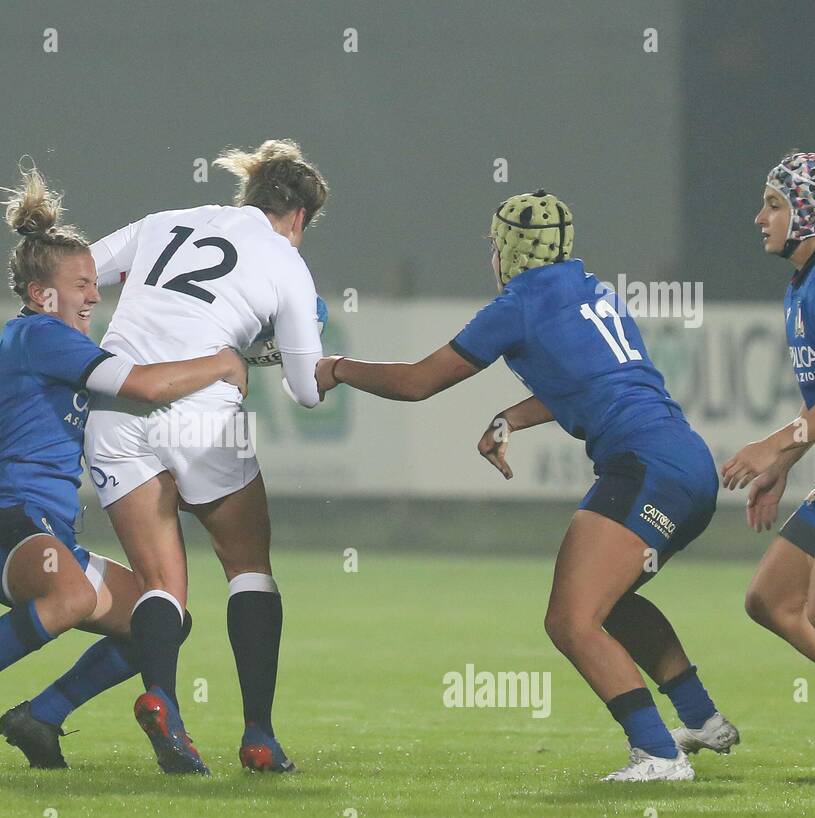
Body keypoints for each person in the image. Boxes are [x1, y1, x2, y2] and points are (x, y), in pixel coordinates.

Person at [315, 189, 735, 781]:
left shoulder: (520, 302)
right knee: (610, 604)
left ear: (509, 249)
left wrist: (335, 369)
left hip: (643, 468)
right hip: (684, 464)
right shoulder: (594, 290)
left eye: (495, 245)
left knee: (571, 619)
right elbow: (591, 384)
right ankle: (700, 719)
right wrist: (509, 417)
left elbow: (417, 383)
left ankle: (659, 754)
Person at [0, 164, 248, 769]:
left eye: (95, 282)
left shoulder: (58, 343)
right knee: (66, 593)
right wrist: (223, 362)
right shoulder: (40, 334)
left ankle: (43, 715)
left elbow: (147, 384)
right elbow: (142, 385)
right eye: (83, 284)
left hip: (46, 533)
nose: (94, 295)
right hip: (4, 525)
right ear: (43, 295)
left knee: (160, 618)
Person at [67, 139, 328, 774]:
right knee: (248, 567)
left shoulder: (165, 222)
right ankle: (259, 735)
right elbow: (307, 391)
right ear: (298, 217)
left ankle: (161, 697)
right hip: (203, 412)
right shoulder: (285, 261)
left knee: (162, 585)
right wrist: (269, 350)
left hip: (116, 403)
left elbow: (74, 272)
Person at [721, 150, 815, 768]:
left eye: (774, 205)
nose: (760, 217)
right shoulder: (803, 284)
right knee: (771, 600)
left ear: (811, 214)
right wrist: (787, 463)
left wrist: (773, 442)